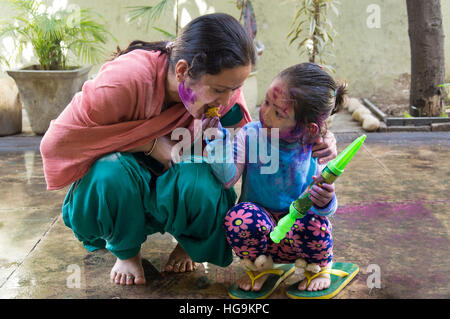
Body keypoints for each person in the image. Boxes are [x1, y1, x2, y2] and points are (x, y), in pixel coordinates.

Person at [40, 13, 338, 286]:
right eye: (220, 90)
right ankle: (126, 252)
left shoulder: (223, 90)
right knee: (109, 172)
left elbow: (254, 142)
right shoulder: (124, 81)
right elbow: (58, 142)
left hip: (171, 188)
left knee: (207, 182)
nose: (227, 100)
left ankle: (187, 245)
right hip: (123, 190)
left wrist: (317, 138)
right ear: (182, 71)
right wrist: (150, 143)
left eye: (235, 88)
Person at [204, 62, 346, 295]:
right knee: (238, 217)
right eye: (267, 101)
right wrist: (217, 142)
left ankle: (319, 268)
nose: (266, 113)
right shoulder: (250, 134)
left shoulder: (316, 148)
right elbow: (228, 179)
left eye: (279, 113)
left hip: (298, 233)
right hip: (262, 234)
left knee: (316, 224)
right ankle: (262, 269)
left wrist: (326, 200)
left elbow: (327, 210)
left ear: (308, 129)